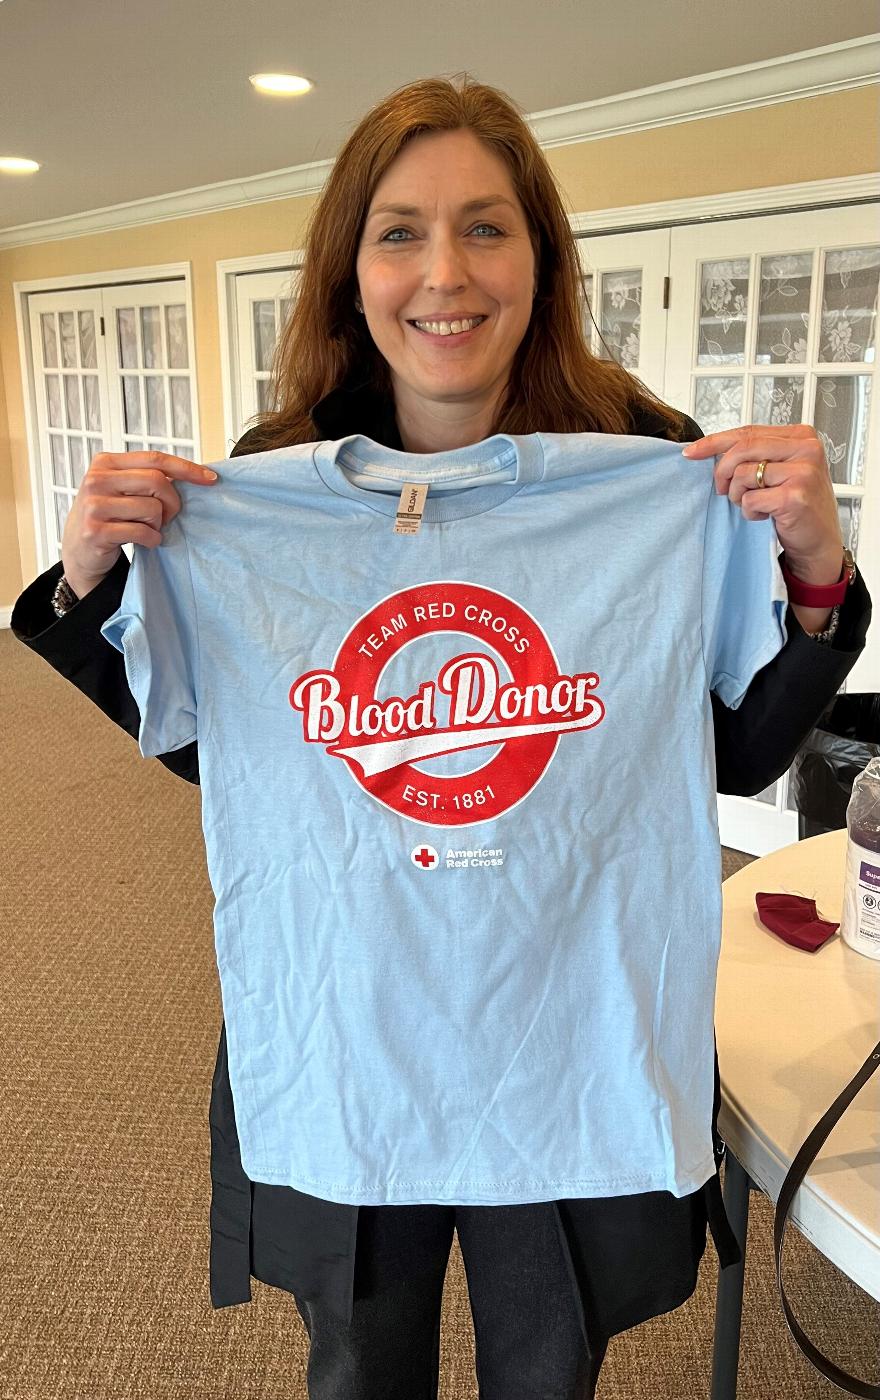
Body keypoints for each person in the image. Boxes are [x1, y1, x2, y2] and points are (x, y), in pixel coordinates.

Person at [12, 73, 871, 1400]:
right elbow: (233, 760)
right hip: (355, 1025)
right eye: (400, 230)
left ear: (541, 257)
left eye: (486, 226)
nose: (444, 271)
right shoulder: (265, 483)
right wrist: (88, 589)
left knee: (549, 1360)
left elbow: (732, 756)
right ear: (349, 271)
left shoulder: (654, 467)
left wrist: (814, 568)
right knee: (360, 1362)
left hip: (567, 1020)